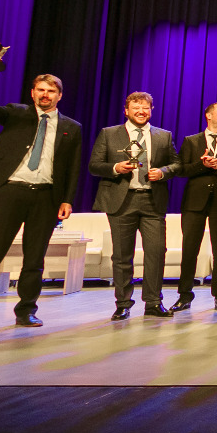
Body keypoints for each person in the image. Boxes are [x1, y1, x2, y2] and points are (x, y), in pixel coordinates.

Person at [0, 63, 82, 333]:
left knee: (35, 260)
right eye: (40, 90)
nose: (45, 95)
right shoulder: (16, 113)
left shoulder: (72, 127)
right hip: (10, 192)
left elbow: (73, 167)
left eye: (51, 91)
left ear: (59, 95)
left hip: (46, 197)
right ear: (32, 92)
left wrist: (67, 200)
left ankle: (27, 311)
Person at [90, 91, 180, 321]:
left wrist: (163, 172)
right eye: (136, 107)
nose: (141, 111)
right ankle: (123, 304)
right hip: (122, 200)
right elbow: (94, 165)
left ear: (151, 110)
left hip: (152, 201)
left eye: (145, 108)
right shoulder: (109, 133)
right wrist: (115, 168)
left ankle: (153, 302)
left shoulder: (164, 135)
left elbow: (177, 164)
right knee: (122, 256)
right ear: (126, 111)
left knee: (156, 253)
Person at [171, 102, 217, 312]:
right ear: (208, 115)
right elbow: (181, 170)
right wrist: (202, 165)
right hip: (194, 202)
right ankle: (184, 295)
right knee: (189, 249)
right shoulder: (191, 141)